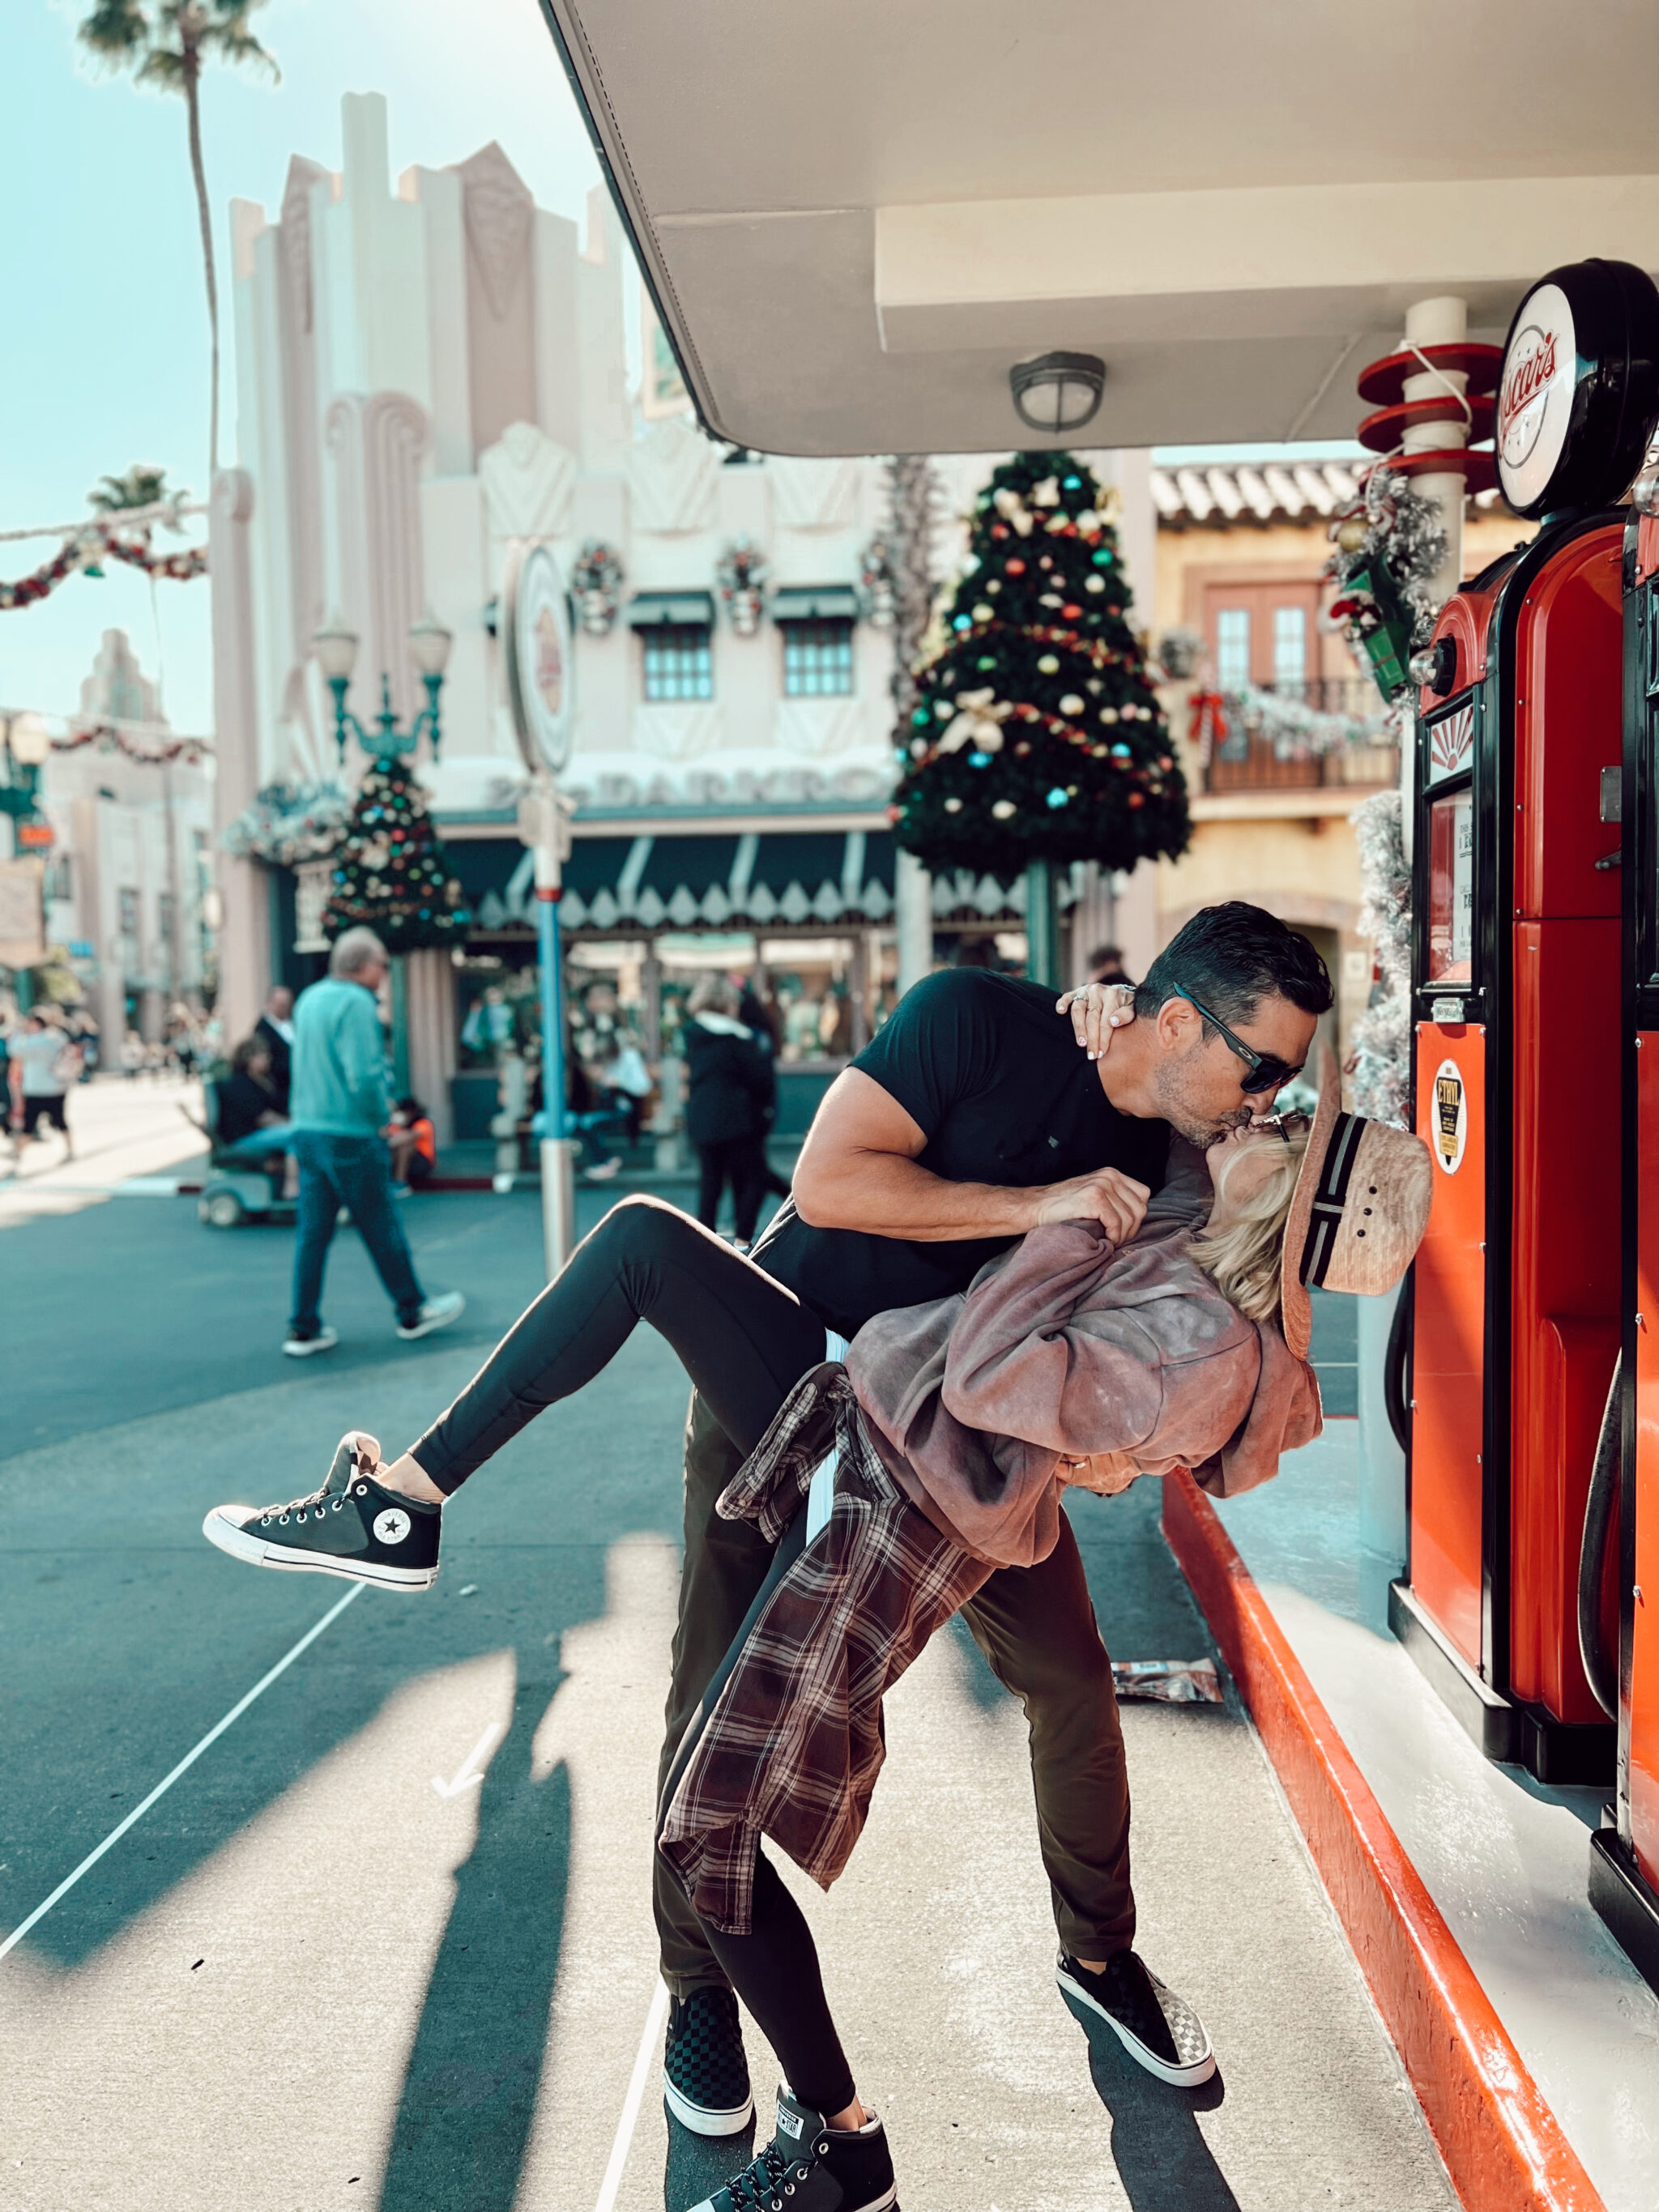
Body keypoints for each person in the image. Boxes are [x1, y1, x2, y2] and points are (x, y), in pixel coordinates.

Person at [200, 1046, 1431, 2212]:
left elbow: (1030, 1372)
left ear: (1293, 1202)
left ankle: (984, 2037)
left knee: (927, 1721)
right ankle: (724, 2013)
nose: (1258, 1112)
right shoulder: (1176, 1179)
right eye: (1265, 1093)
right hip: (866, 1424)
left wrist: (1060, 1234)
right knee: (714, 1725)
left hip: (905, 1463)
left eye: (1283, 1122)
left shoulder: (1196, 1277)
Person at [281, 927, 464, 1358]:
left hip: (308, 1130)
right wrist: (383, 1118)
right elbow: (363, 1076)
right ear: (363, 966)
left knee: (312, 1235)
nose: (385, 973)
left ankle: (303, 1327)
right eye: (383, 964)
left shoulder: (309, 999)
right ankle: (413, 1310)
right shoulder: (357, 1004)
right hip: (350, 1133)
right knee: (381, 1225)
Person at [683, 975, 774, 1247]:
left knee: (710, 1182)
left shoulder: (692, 1036)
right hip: (737, 1120)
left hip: (701, 1119)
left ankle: (705, 1244)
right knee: (753, 1180)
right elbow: (761, 1080)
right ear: (725, 1004)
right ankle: (743, 1241)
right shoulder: (737, 1039)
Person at [8, 1008, 78, 1160]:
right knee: (60, 1120)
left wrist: (19, 1033)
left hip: (36, 1089)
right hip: (57, 1087)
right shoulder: (57, 1037)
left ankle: (18, 1152)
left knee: (29, 1123)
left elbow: (13, 1049)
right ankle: (71, 1150)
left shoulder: (32, 1042)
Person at [254, 985, 296, 1113]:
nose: (284, 1008)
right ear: (270, 1003)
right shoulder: (262, 1029)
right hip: (281, 1086)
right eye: (280, 1005)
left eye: (286, 1004)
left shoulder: (293, 1023)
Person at [389, 1096, 437, 1190]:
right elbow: (387, 1134)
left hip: (421, 1162)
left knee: (405, 1146)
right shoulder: (398, 1125)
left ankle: (400, 1182)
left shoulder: (424, 1123)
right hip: (400, 1161)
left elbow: (410, 1136)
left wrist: (391, 1142)